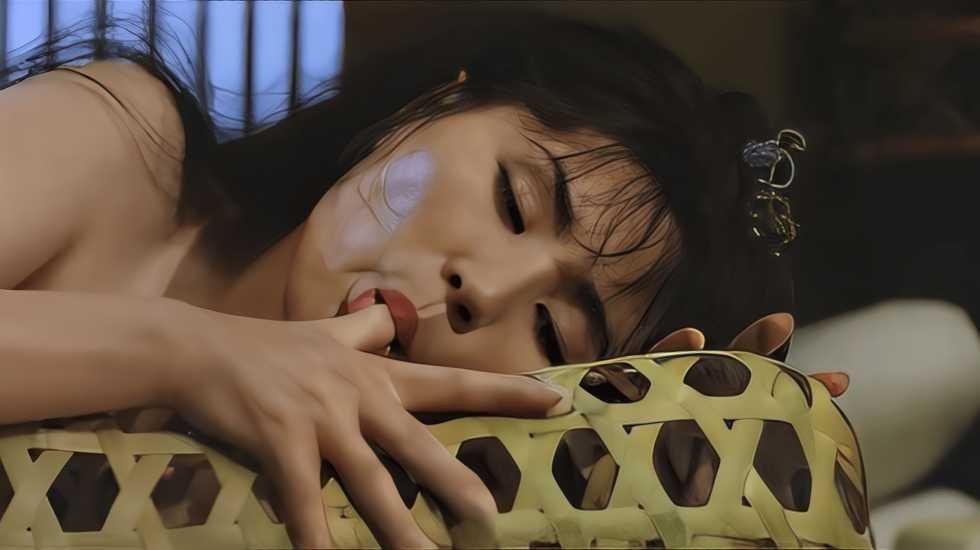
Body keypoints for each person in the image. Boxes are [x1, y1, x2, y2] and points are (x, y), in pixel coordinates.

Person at [0, 9, 805, 548]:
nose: (484, 291)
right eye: (512, 201)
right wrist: (190, 351)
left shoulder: (399, 509)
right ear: (430, 107)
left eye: (553, 332)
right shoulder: (122, 147)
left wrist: (689, 463)